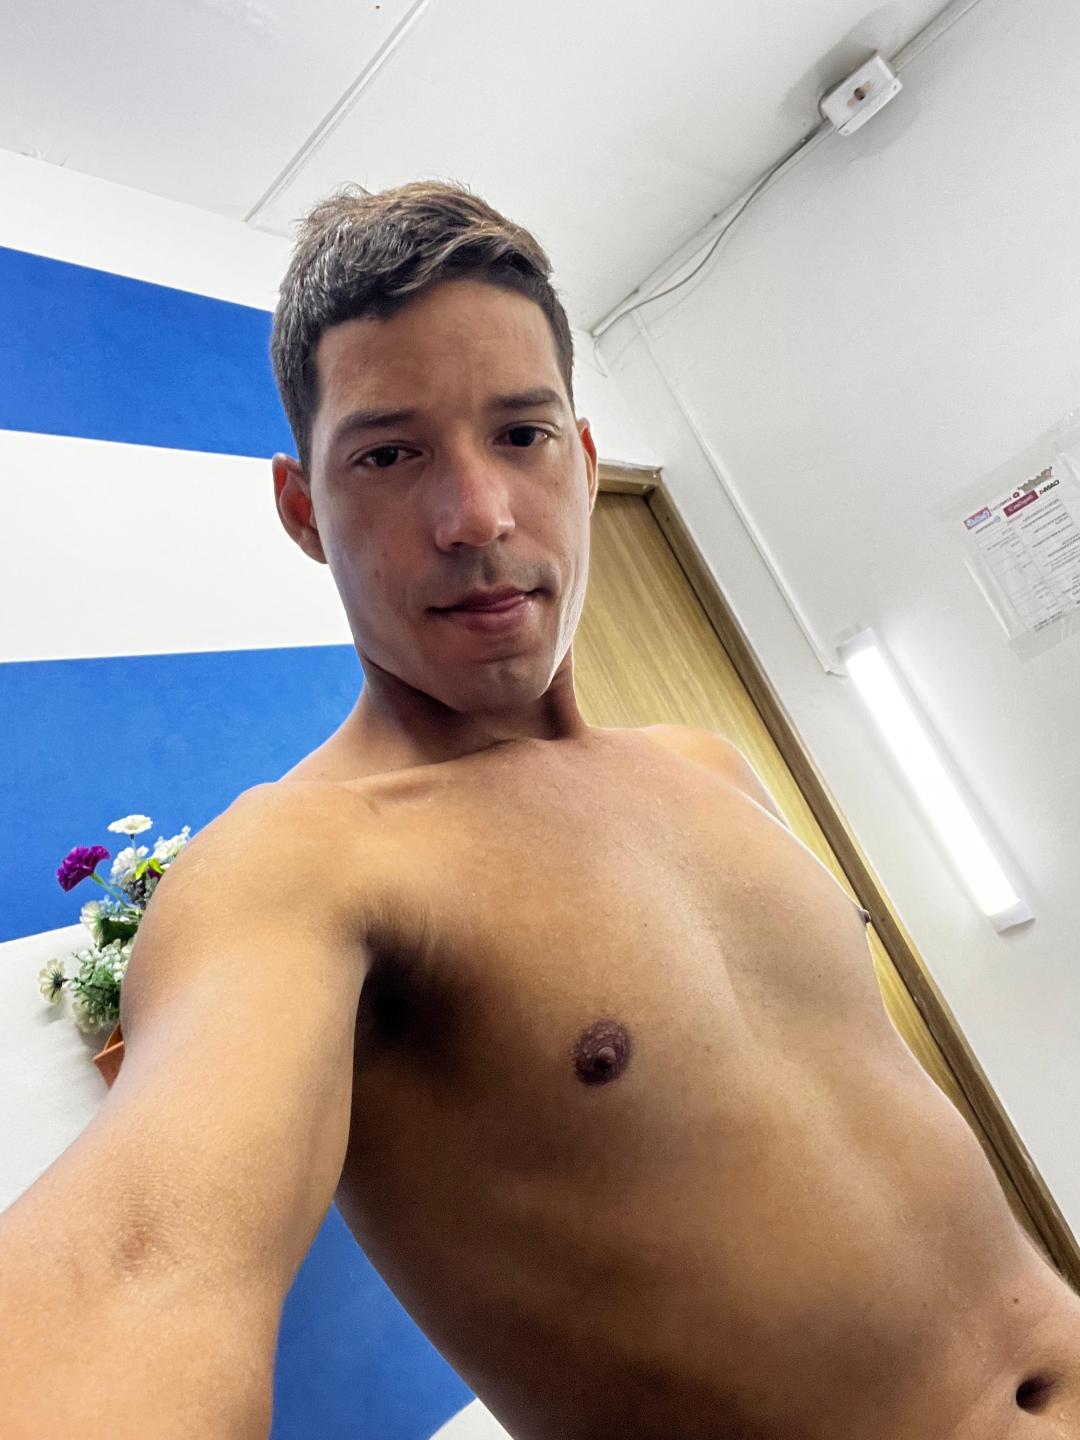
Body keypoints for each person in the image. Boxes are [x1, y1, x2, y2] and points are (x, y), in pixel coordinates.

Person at [2, 181, 1078, 1440]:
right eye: (389, 455)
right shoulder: (303, 865)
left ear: (582, 457)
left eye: (520, 434)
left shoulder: (709, 768)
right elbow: (136, 1273)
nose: (477, 516)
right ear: (303, 512)